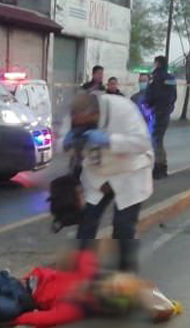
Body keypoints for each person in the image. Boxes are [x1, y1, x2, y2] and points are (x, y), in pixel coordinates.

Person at [64, 92, 155, 272]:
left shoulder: (124, 110)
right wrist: (69, 143)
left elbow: (142, 143)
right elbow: (67, 147)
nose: (79, 122)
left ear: (95, 113)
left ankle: (123, 276)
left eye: (84, 119)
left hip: (130, 173)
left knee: (123, 228)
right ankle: (80, 271)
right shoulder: (78, 118)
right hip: (98, 175)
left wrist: (109, 141)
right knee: (86, 224)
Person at [144, 55, 178, 179]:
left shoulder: (156, 77)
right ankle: (162, 167)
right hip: (166, 112)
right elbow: (174, 96)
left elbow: (151, 95)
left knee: (156, 140)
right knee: (159, 140)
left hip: (157, 112)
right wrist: (169, 108)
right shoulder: (171, 78)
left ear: (157, 63)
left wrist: (148, 105)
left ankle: (158, 169)